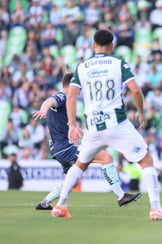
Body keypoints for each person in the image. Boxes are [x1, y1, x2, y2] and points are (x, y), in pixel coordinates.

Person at [51, 29, 162, 221]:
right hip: (117, 123)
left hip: (93, 126)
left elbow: (71, 96)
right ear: (112, 46)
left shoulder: (82, 67)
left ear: (93, 45)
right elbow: (134, 90)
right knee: (146, 160)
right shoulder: (119, 63)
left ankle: (61, 205)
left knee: (80, 164)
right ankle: (156, 209)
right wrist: (141, 112)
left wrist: (72, 125)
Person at [32, 73, 141, 210]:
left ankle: (44, 203)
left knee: (72, 180)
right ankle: (121, 197)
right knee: (105, 157)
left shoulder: (67, 102)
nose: (80, 91)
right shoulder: (63, 96)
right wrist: (43, 110)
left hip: (59, 149)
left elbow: (64, 122)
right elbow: (49, 101)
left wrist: (77, 130)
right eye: (79, 86)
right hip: (65, 148)